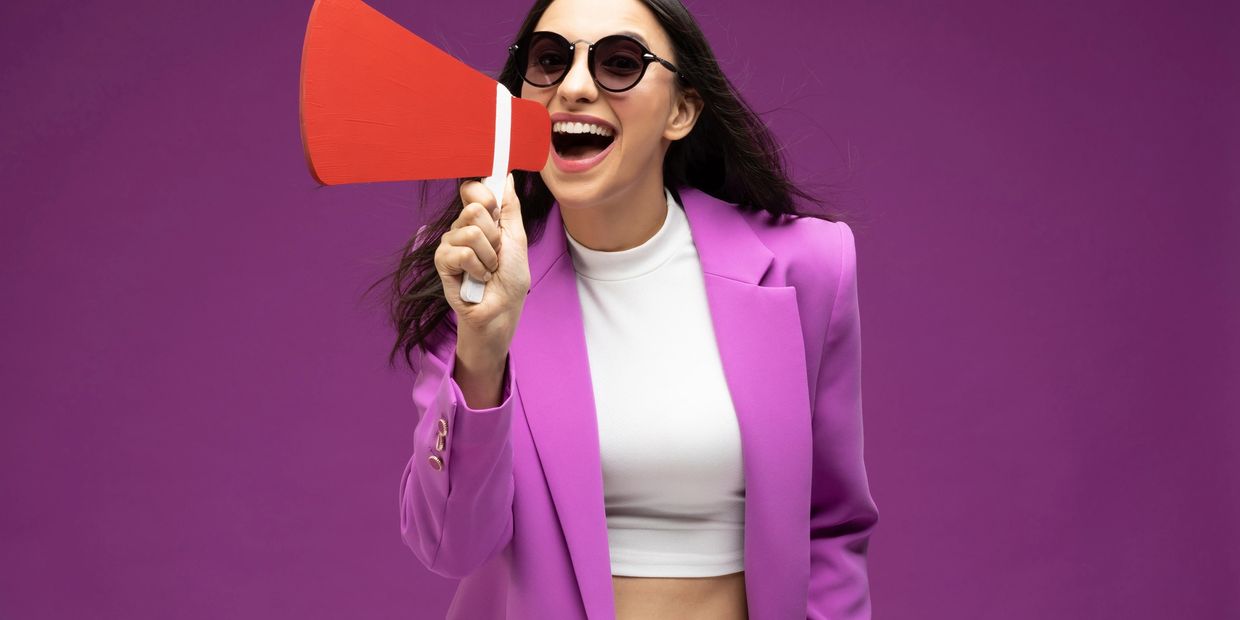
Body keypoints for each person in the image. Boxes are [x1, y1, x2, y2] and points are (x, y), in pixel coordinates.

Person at [383, 0, 879, 617]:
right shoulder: (471, 270)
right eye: (550, 60)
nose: (575, 86)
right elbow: (452, 548)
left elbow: (831, 525)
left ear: (682, 109)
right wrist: (482, 346)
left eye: (620, 63)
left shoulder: (807, 266)